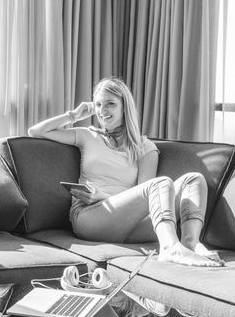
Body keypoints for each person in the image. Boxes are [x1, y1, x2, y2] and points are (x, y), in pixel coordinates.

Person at [27, 78, 224, 267]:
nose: (102, 111)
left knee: (194, 179)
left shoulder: (144, 146)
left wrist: (104, 195)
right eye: (98, 105)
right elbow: (36, 131)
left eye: (110, 104)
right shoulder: (87, 135)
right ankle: (170, 247)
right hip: (91, 216)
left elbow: (146, 196)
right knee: (161, 183)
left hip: (131, 223)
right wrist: (74, 115)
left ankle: (190, 243)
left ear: (124, 107)